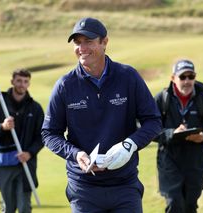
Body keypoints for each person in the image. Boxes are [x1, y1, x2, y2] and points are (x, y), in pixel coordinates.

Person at [42, 17, 162, 213]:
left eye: (88, 41)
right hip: (84, 187)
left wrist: (129, 145)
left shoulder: (128, 77)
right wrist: (75, 154)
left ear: (104, 42)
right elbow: (49, 133)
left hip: (124, 184)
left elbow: (154, 121)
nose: (82, 48)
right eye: (77, 42)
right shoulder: (65, 85)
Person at [154, 59, 203, 213]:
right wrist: (171, 133)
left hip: (196, 161)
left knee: (190, 205)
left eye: (191, 76)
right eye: (182, 77)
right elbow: (149, 129)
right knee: (174, 203)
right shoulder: (161, 99)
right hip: (169, 160)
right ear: (173, 78)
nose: (187, 81)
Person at [0, 68, 44, 213]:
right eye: (19, 81)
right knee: (8, 208)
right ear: (12, 82)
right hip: (4, 165)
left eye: (25, 81)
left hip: (26, 165)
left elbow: (42, 137)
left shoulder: (35, 108)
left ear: (29, 84)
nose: (22, 84)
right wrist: (2, 127)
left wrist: (29, 152)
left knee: (24, 208)